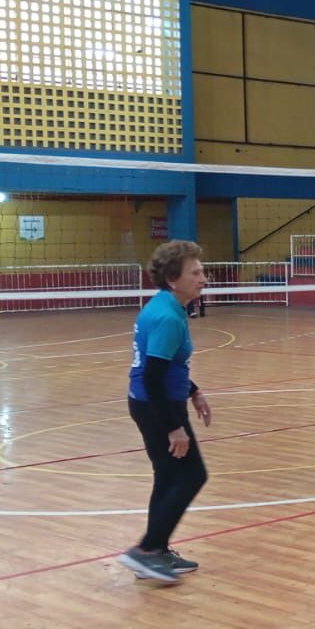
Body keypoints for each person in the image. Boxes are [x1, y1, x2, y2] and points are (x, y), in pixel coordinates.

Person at [117, 240, 213, 583]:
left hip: (153, 401)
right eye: (196, 272)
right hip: (155, 405)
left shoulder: (168, 306)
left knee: (169, 475)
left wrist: (193, 390)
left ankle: (156, 551)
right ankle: (145, 550)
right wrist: (175, 426)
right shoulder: (168, 317)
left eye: (202, 271)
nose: (204, 277)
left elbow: (167, 364)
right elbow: (153, 376)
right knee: (192, 475)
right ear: (174, 279)